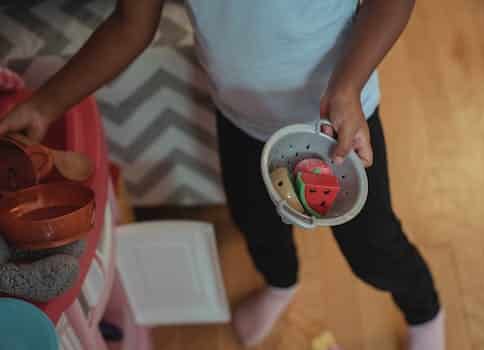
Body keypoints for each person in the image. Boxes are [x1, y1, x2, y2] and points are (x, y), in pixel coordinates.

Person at [0, 1, 444, 349]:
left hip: (339, 125)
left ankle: (424, 311)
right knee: (256, 224)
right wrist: (46, 104)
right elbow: (131, 24)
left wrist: (348, 84)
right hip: (242, 122)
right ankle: (280, 282)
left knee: (374, 249)